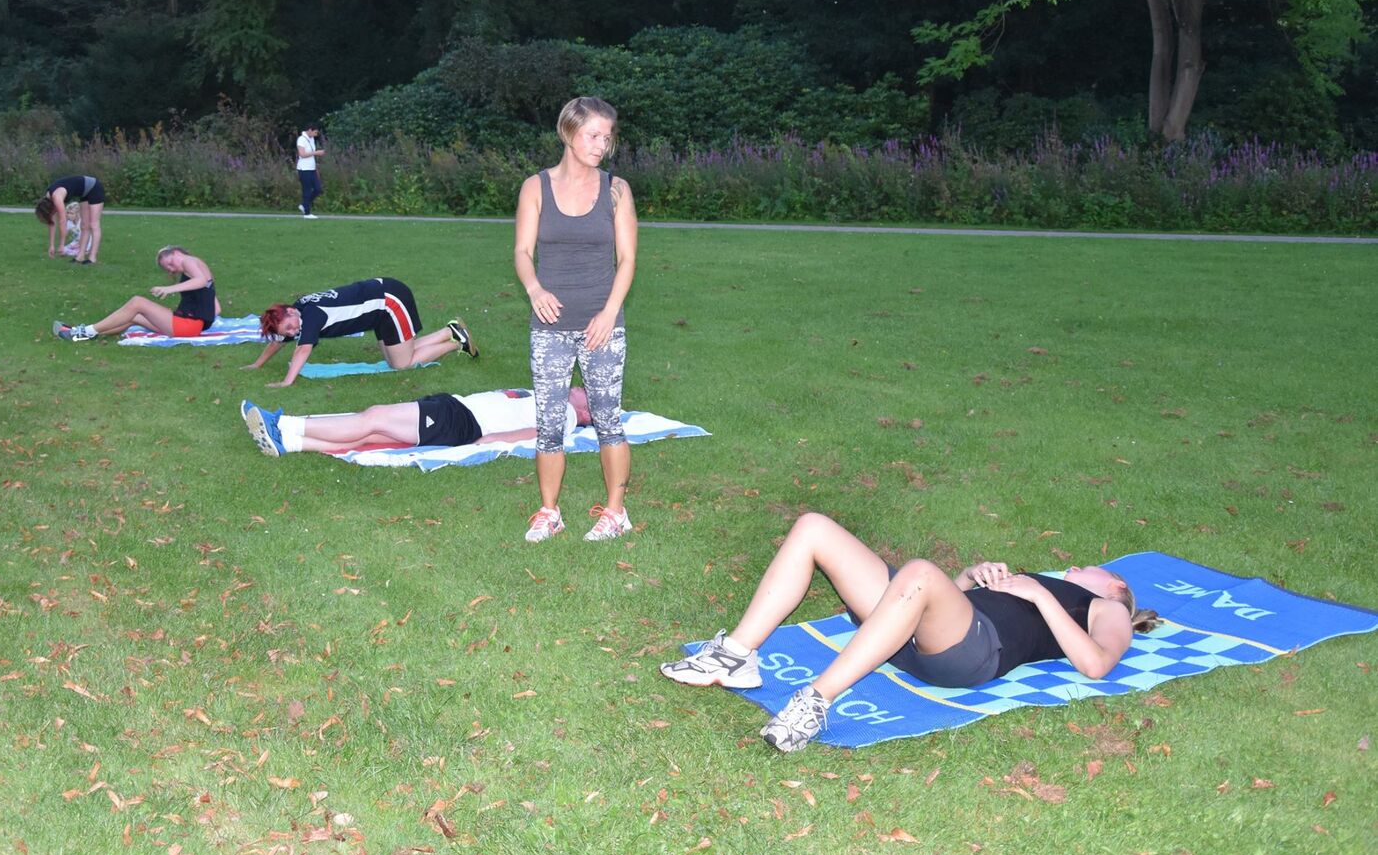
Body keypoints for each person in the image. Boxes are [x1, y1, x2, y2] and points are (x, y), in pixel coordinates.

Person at [659, 512, 1162, 753]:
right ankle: (736, 656)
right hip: (912, 635)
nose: (1074, 568)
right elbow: (941, 602)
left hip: (972, 654)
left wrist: (1038, 594)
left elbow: (1096, 665)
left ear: (1116, 584)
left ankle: (814, 702)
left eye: (1088, 568)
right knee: (813, 527)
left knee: (919, 572)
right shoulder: (1054, 588)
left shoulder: (1107, 607)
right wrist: (969, 577)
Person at [513, 96, 638, 544]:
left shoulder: (616, 189)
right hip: (549, 328)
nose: (601, 144)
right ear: (568, 132)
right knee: (548, 424)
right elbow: (522, 251)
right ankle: (550, 512)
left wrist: (609, 313)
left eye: (607, 137)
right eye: (592, 135)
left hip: (602, 326)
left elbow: (627, 260)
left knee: (608, 420)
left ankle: (616, 513)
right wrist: (534, 289)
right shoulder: (536, 187)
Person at [246, 276, 476, 388]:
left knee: (401, 364)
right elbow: (279, 341)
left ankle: (457, 342)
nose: (292, 332)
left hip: (391, 302)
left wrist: (287, 381)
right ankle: (450, 331)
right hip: (380, 310)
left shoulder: (311, 315)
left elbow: (303, 349)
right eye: (287, 331)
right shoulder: (297, 311)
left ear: (290, 311)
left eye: (290, 327)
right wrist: (257, 364)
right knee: (394, 358)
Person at [239, 387, 591, 456]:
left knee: (374, 417)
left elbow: (534, 433)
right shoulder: (556, 396)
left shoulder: (566, 416)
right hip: (457, 409)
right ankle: (290, 444)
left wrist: (486, 443)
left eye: (587, 392)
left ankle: (282, 425)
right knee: (372, 432)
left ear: (587, 412)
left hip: (462, 422)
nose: (581, 386)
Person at [52, 245, 220, 341]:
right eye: (167, 268)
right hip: (188, 326)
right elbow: (216, 308)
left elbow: (200, 281)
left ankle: (83, 331)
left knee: (137, 302)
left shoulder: (188, 260)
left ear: (177, 253)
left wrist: (169, 289)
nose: (171, 269)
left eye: (170, 263)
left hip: (187, 326)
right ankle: (85, 334)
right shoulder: (198, 267)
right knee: (134, 317)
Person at [35, 175, 106, 263]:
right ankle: (80, 256)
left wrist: (62, 245)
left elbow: (62, 221)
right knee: (84, 225)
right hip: (84, 193)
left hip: (94, 187)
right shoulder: (48, 200)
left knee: (94, 224)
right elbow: (51, 222)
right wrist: (51, 245)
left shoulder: (56, 197)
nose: (54, 213)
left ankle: (92, 258)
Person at [296, 123, 324, 218]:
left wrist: (315, 168)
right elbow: (302, 154)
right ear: (309, 130)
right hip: (304, 169)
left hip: (312, 168)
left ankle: (304, 204)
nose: (316, 134)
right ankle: (307, 213)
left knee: (318, 189)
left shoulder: (311, 139)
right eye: (315, 132)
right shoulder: (301, 139)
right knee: (307, 190)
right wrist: (316, 152)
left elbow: (311, 155)